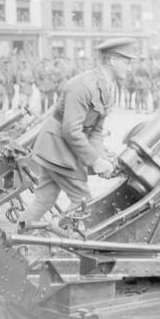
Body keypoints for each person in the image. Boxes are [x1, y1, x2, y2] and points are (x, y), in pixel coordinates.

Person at [18, 38, 137, 224]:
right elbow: (71, 130)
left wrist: (101, 159)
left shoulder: (106, 87)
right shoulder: (83, 86)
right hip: (57, 147)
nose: (130, 68)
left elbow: (96, 130)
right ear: (112, 60)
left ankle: (18, 237)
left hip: (62, 147)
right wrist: (95, 160)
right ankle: (62, 238)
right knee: (82, 200)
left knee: (45, 199)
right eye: (127, 62)